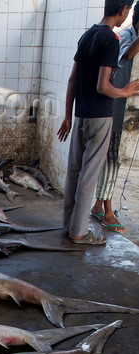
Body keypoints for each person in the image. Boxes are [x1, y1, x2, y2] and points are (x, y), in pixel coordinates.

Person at [57, 0, 139, 245]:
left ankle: (68, 224)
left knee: (74, 173)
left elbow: (72, 80)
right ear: (124, 9)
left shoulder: (87, 35)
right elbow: (103, 86)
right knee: (89, 177)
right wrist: (125, 91)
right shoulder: (111, 40)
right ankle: (79, 231)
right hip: (100, 117)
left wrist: (67, 117)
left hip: (80, 115)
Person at [91, 1, 139, 232]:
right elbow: (125, 57)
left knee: (114, 160)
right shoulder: (122, 36)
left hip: (128, 109)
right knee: (112, 160)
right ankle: (107, 212)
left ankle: (99, 204)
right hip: (114, 108)